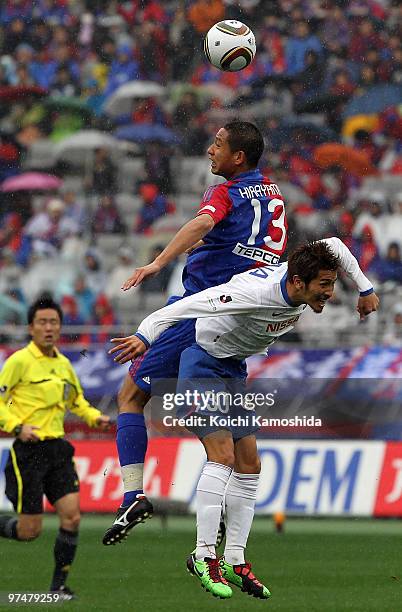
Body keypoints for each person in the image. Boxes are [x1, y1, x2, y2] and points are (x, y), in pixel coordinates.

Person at [109, 237, 379, 599]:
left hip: (232, 369)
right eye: (324, 286)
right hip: (200, 364)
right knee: (223, 455)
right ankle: (203, 555)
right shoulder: (252, 293)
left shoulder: (301, 276)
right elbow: (185, 308)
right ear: (298, 283)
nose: (329, 293)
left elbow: (335, 244)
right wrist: (145, 335)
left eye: (331, 284)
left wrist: (364, 287)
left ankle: (235, 559)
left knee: (250, 464)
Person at [102, 120, 289, 545]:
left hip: (200, 308)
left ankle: (133, 495)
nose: (209, 150)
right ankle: (225, 516)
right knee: (229, 428)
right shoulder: (274, 195)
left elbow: (202, 225)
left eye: (218, 144)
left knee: (131, 396)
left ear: (238, 157)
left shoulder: (224, 192)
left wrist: (158, 261)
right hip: (242, 319)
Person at [0, 297, 111, 599]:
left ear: (60, 327)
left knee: (72, 518)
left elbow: (77, 401)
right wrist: (17, 426)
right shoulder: (18, 362)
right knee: (29, 531)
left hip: (58, 450)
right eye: (42, 322)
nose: (48, 328)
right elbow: (0, 401)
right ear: (31, 327)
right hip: (28, 453)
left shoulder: (64, 365)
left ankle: (58, 587)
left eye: (53, 322)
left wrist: (94, 417)